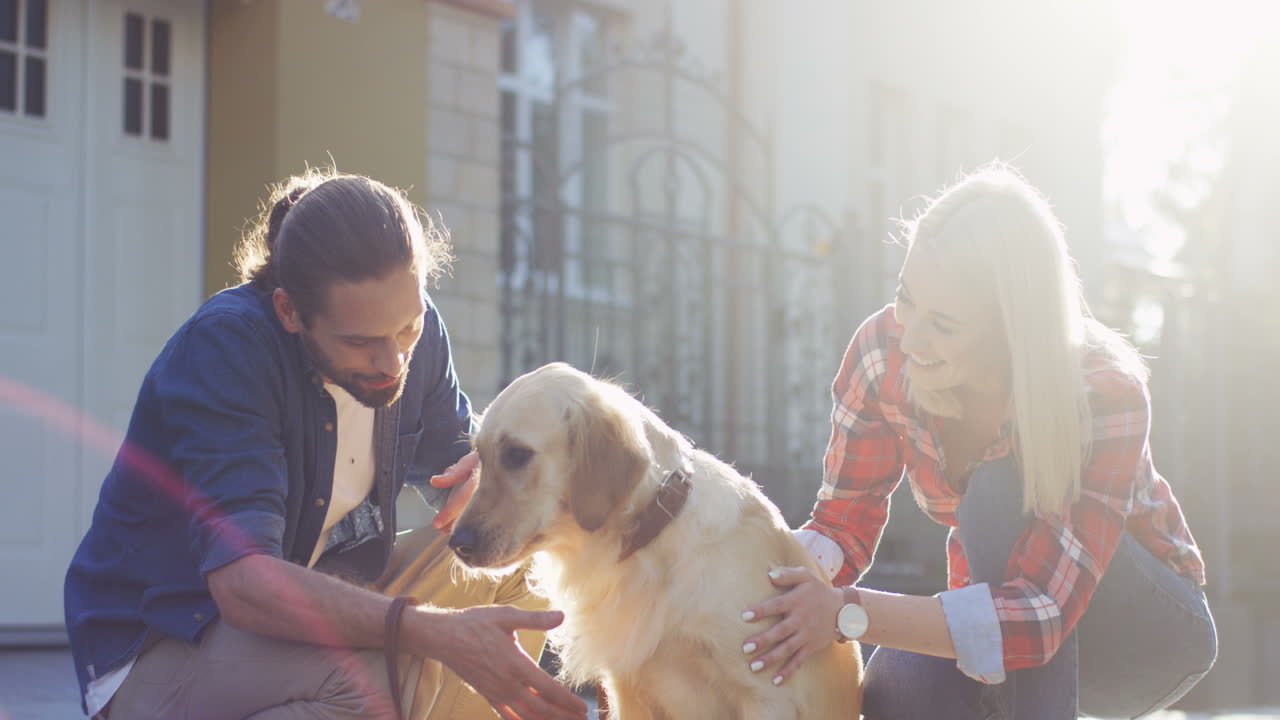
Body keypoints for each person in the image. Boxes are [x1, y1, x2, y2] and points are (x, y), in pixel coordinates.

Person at [64, 169, 589, 720]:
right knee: (365, 688)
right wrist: (435, 633)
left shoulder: (417, 332)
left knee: (518, 557)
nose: (393, 363)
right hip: (169, 637)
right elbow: (244, 585)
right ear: (291, 312)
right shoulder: (227, 349)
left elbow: (459, 462)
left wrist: (484, 479)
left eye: (405, 330)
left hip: (304, 600)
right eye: (360, 343)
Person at [739, 165, 1217, 719]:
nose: (911, 336)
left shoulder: (1101, 392)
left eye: (943, 323)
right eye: (906, 296)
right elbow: (841, 525)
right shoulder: (881, 352)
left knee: (997, 492)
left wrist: (845, 610)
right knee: (902, 680)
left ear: (1012, 329)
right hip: (1015, 616)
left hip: (1146, 635)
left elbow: (1042, 614)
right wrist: (764, 594)